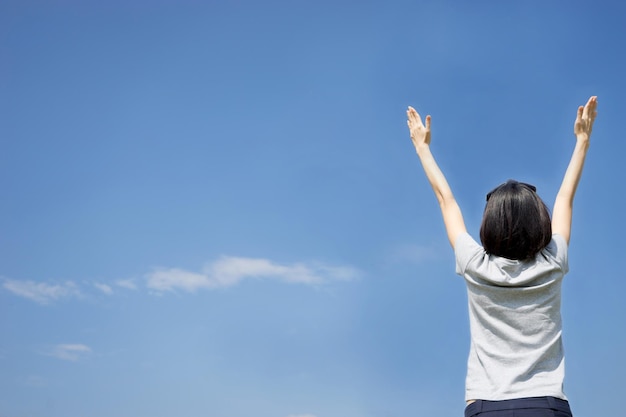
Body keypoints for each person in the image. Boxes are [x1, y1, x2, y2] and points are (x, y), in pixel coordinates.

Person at [406, 96, 598, 417]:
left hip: (486, 406)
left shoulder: (474, 265)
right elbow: (566, 197)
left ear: (489, 223)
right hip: (546, 405)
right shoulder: (552, 262)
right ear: (540, 221)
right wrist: (583, 141)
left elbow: (446, 201)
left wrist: (422, 148)